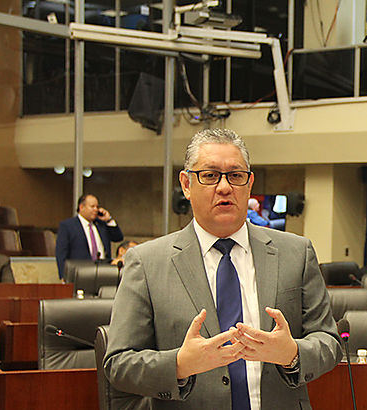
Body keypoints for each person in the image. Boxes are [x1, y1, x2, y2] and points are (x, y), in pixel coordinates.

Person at [103, 128, 342, 409]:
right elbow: (118, 363)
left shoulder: (296, 252)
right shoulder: (146, 262)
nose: (225, 187)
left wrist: (293, 353)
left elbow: (329, 341)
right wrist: (179, 365)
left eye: (236, 175)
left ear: (249, 183)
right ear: (186, 184)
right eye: (210, 175)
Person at [55, 194, 123, 279]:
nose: (96, 209)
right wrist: (63, 276)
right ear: (81, 207)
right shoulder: (68, 226)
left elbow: (118, 237)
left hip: (103, 271)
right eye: (92, 206)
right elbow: (61, 253)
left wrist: (109, 219)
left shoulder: (101, 224)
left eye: (97, 207)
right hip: (81, 273)